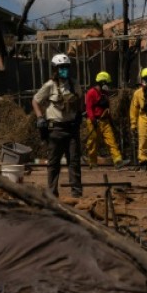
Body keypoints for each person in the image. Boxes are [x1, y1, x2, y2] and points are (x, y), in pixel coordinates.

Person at [32, 53, 83, 198]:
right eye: (61, 68)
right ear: (55, 69)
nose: (64, 71)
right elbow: (35, 101)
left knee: (74, 161)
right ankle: (52, 193)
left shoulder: (74, 84)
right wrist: (40, 117)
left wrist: (79, 113)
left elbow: (80, 98)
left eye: (66, 67)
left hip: (72, 128)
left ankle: (77, 193)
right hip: (55, 129)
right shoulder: (49, 85)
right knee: (54, 163)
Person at [85, 71, 127, 169]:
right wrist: (92, 119)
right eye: (107, 83)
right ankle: (93, 162)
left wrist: (110, 119)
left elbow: (106, 108)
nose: (108, 86)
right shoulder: (91, 93)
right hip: (94, 121)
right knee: (92, 142)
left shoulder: (105, 94)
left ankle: (118, 161)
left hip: (105, 121)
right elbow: (89, 107)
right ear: (102, 83)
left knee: (111, 140)